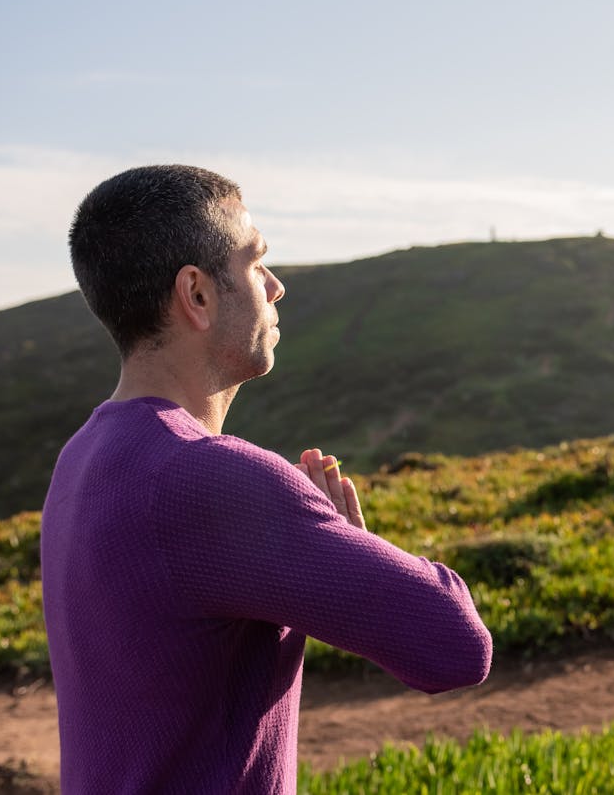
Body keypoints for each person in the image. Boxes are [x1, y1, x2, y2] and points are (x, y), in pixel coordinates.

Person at [41, 165, 492, 793]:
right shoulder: (209, 476)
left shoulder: (85, 456)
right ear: (196, 295)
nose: (276, 287)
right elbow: (454, 647)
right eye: (255, 263)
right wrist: (362, 548)